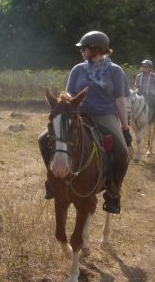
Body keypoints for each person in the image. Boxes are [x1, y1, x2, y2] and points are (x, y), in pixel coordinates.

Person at [38, 30, 132, 214]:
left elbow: (120, 100)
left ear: (96, 49)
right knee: (43, 139)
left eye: (84, 48)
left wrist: (125, 127)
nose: (81, 51)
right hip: (78, 114)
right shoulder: (78, 69)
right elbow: (68, 94)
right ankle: (52, 178)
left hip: (105, 115)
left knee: (121, 152)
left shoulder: (115, 71)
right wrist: (70, 105)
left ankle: (113, 193)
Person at [134, 59, 155, 130]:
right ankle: (129, 123)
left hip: (150, 95)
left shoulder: (153, 76)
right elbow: (136, 86)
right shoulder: (138, 76)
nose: (144, 68)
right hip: (140, 94)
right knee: (130, 106)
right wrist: (136, 91)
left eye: (146, 66)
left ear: (150, 68)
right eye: (143, 66)